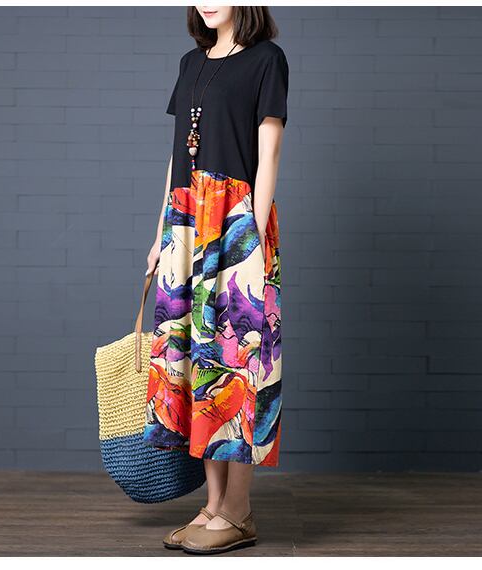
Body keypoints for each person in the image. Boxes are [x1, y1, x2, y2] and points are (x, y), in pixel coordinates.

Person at [142, 5, 288, 555]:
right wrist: (160, 233)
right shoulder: (191, 62)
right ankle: (212, 506)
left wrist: (252, 235)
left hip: (234, 219)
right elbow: (175, 156)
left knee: (237, 363)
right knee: (194, 362)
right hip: (185, 220)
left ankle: (239, 512)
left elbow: (269, 153)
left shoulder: (267, 60)